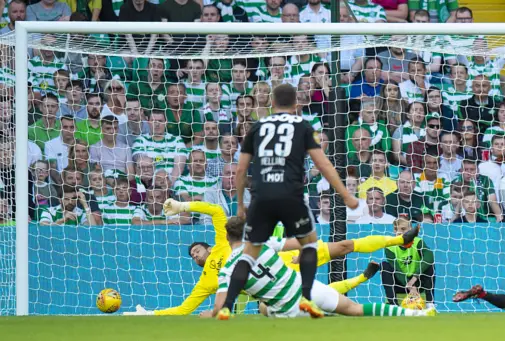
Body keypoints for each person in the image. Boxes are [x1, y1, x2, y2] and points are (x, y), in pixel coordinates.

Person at [126, 198, 419, 316]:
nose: (196, 255)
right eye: (192, 256)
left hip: (293, 256)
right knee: (280, 305)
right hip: (280, 285)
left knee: (343, 246)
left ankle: (398, 240)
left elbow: (216, 211)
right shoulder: (211, 279)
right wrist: (150, 314)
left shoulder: (225, 243)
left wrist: (182, 205)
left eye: (196, 250)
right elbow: (184, 309)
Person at [217, 84, 359, 320]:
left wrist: (241, 204)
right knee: (310, 245)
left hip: (262, 198)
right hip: (291, 195)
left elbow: (241, 169)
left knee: (249, 253)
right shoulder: (302, 126)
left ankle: (226, 306)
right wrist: (345, 195)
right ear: (296, 105)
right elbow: (323, 164)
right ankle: (305, 298)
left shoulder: (257, 127)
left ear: (271, 103)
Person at [202, 217, 435, 319]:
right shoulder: (260, 244)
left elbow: (220, 307)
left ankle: (399, 239)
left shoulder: (231, 267)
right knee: (348, 307)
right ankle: (416, 313)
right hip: (294, 279)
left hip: (300, 263)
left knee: (344, 246)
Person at [382, 216, 435, 308]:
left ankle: (430, 303)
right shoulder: (390, 247)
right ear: (395, 231)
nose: (401, 232)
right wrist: (410, 285)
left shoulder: (418, 242)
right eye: (398, 229)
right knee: (384, 266)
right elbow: (397, 270)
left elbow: (429, 257)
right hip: (401, 282)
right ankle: (393, 305)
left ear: (410, 229)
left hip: (418, 282)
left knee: (430, 266)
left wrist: (414, 279)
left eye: (404, 229)